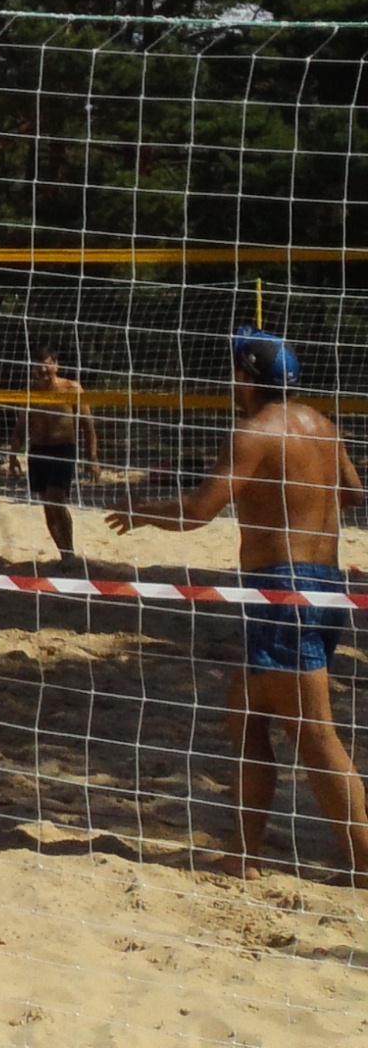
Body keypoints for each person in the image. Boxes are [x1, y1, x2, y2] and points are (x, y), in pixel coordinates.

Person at [110, 332, 366, 884]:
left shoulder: (252, 432)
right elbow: (351, 493)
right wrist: (296, 492)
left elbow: (200, 510)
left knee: (315, 736)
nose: (229, 380)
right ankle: (243, 853)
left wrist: (144, 511)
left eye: (233, 371)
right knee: (244, 715)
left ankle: (366, 861)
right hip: (326, 585)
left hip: (283, 591)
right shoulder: (322, 425)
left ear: (244, 378)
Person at [15, 352, 98, 564]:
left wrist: (92, 458)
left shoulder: (72, 388)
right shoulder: (30, 392)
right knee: (48, 506)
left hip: (63, 450)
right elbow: (21, 425)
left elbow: (87, 425)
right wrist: (13, 454)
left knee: (56, 501)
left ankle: (69, 552)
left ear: (56, 365)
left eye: (47, 365)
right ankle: (64, 554)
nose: (43, 370)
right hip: (38, 451)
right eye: (38, 366)